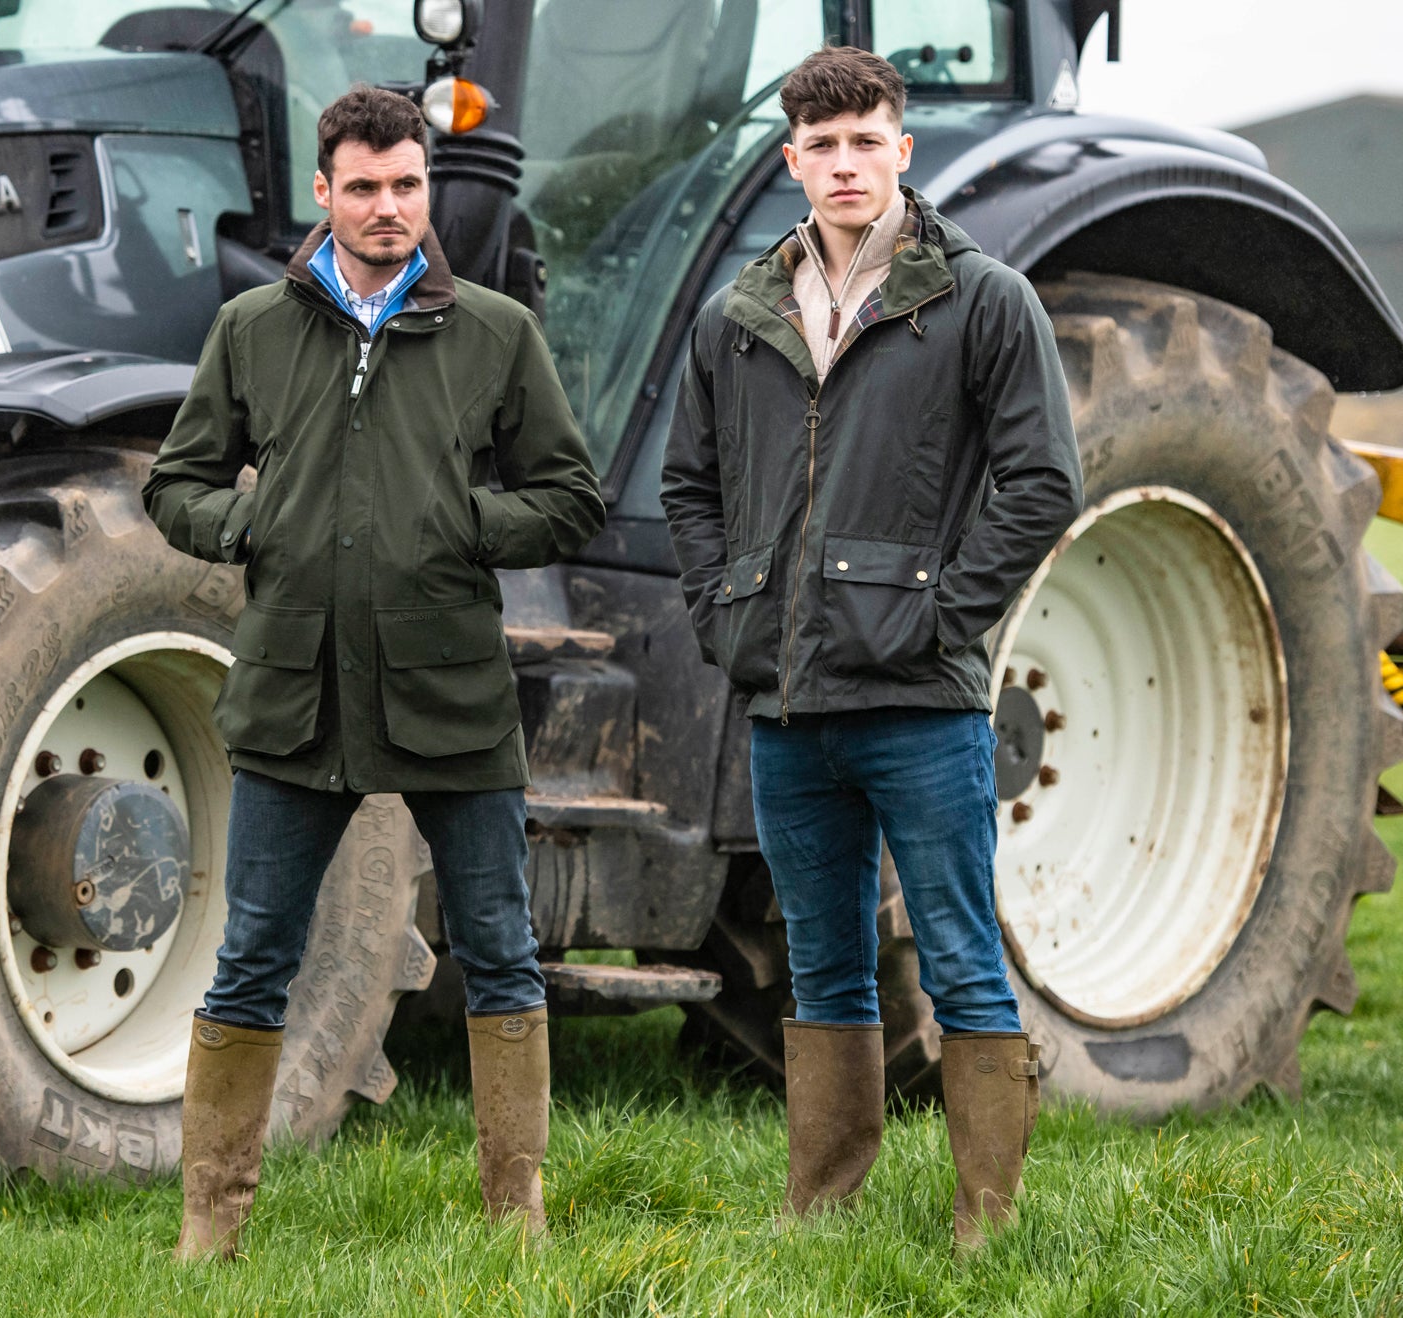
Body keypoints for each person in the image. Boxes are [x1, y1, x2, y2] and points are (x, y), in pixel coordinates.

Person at [144, 85, 603, 1260]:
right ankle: (211, 1232)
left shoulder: (495, 331)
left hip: (450, 691)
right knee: (252, 956)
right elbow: (177, 483)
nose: (390, 206)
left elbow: (569, 497)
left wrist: (457, 523)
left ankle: (522, 1222)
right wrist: (249, 529)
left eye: (408, 184)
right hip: (296, 696)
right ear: (324, 192)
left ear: (427, 186)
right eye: (365, 186)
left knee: (499, 948)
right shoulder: (254, 327)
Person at [660, 46, 1082, 1251]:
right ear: (792, 161)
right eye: (822, 146)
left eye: (866, 142)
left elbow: (1044, 479)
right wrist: (720, 608)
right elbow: (689, 483)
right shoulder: (738, 316)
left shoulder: (980, 299)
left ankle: (984, 1225)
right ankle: (823, 1208)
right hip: (788, 707)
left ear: (903, 150)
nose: (844, 165)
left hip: (921, 706)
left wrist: (944, 619)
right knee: (822, 963)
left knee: (958, 958)